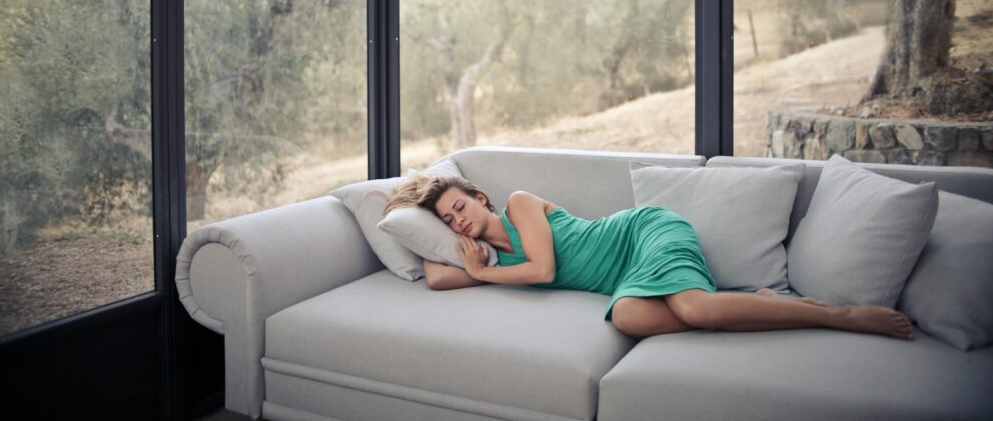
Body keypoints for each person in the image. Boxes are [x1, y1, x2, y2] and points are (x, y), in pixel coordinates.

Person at [385, 174, 914, 340]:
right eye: (448, 222)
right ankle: (745, 301)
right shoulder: (490, 265)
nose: (458, 222)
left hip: (641, 234)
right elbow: (437, 278)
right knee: (631, 319)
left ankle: (835, 316)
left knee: (695, 312)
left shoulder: (521, 206)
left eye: (459, 207)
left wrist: (482, 273)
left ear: (480, 197)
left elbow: (543, 271)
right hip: (628, 280)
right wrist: (423, 219)